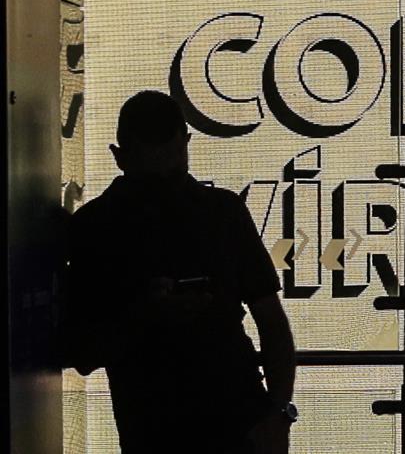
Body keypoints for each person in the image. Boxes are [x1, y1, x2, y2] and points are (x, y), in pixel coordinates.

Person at [64, 90, 297, 454]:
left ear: (119, 156)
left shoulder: (94, 227)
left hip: (151, 425)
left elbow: (83, 353)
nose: (163, 187)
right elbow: (271, 320)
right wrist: (277, 415)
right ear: (186, 143)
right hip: (238, 418)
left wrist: (142, 315)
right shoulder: (222, 212)